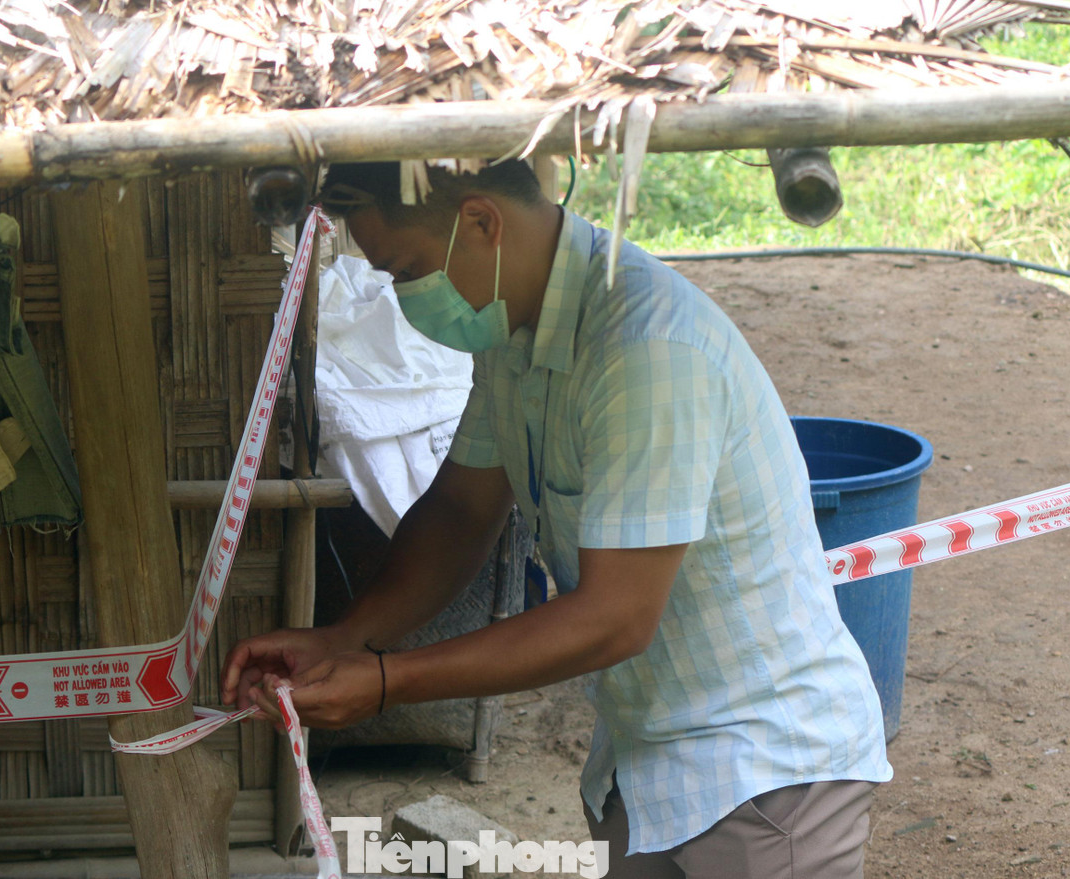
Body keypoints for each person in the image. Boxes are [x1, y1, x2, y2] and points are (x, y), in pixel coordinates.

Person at [221, 159, 892, 878]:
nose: (403, 296)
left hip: (763, 775)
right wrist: (342, 639)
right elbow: (459, 510)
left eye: (406, 268)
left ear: (482, 223)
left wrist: (386, 681)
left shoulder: (648, 351)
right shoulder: (512, 325)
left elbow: (616, 615)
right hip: (646, 759)